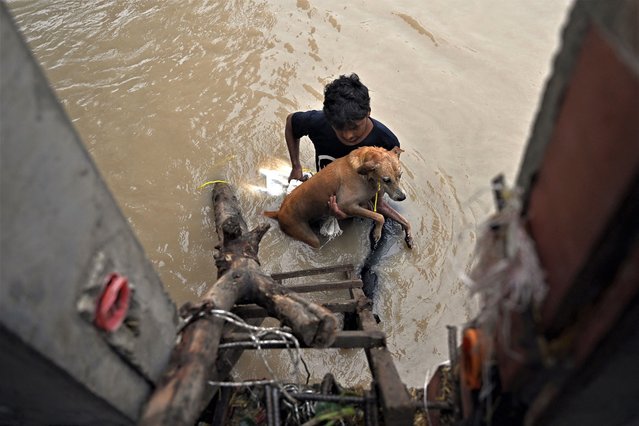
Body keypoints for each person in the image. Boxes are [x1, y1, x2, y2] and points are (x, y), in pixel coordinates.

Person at [285, 73, 400, 183]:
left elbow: (387, 178)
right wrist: (296, 167)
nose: (347, 135)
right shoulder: (318, 122)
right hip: (325, 184)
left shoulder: (386, 143)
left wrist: (374, 198)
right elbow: (291, 122)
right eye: (339, 127)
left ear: (368, 112)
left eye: (355, 127)